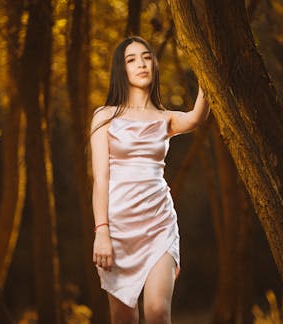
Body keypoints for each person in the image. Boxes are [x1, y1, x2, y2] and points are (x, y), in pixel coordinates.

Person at [90, 36, 209, 323]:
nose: (141, 64)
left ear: (154, 65)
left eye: (146, 57)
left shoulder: (165, 118)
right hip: (117, 230)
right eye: (132, 60)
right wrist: (102, 232)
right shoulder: (104, 117)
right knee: (123, 318)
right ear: (121, 70)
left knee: (157, 311)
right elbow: (100, 179)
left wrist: (209, 69)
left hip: (159, 224)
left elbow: (196, 118)